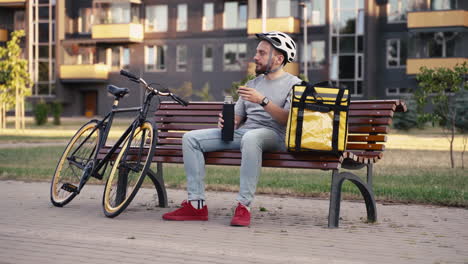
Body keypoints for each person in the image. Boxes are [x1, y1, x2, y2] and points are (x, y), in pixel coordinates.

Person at [162, 31, 301, 226]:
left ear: (278, 58)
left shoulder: (295, 85)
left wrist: (262, 100)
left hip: (274, 136)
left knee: (251, 138)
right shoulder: (252, 83)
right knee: (190, 138)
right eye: (257, 52)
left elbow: (288, 120)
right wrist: (228, 122)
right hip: (247, 134)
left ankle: (243, 206)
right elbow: (237, 117)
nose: (255, 57)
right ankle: (196, 205)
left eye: (262, 53)